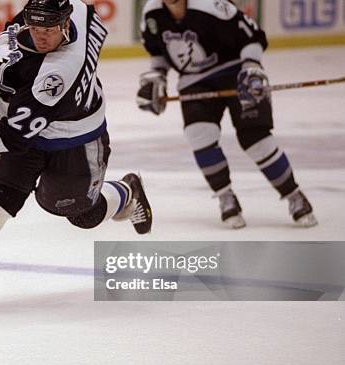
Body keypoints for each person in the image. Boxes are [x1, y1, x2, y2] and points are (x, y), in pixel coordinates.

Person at [0, 0, 153, 311]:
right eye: (36, 28)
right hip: (32, 129)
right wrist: (8, 43)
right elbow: (39, 24)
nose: (41, 36)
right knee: (0, 195)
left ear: (65, 24)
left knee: (82, 214)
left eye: (49, 30)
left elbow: (15, 133)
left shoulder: (60, 72)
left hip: (76, 141)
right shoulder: (77, 12)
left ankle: (128, 191)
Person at [136, 0, 317, 228]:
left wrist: (252, 66)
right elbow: (157, 51)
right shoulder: (152, 14)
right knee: (199, 135)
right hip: (195, 82)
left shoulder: (211, 5)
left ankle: (294, 195)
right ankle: (225, 197)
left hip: (236, 71)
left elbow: (252, 36)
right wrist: (158, 76)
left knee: (256, 140)